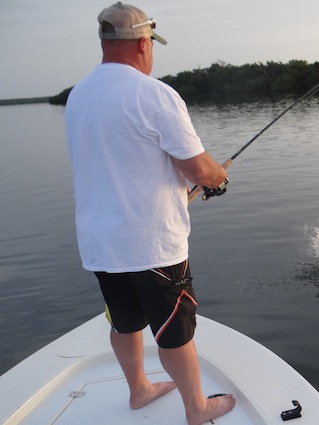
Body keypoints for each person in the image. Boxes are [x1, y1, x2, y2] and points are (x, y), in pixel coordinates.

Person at [64, 3, 235, 425]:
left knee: (124, 323)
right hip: (152, 246)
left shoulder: (78, 96)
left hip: (101, 244)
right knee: (174, 330)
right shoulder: (155, 94)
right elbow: (199, 170)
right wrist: (218, 177)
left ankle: (139, 390)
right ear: (144, 43)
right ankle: (197, 409)